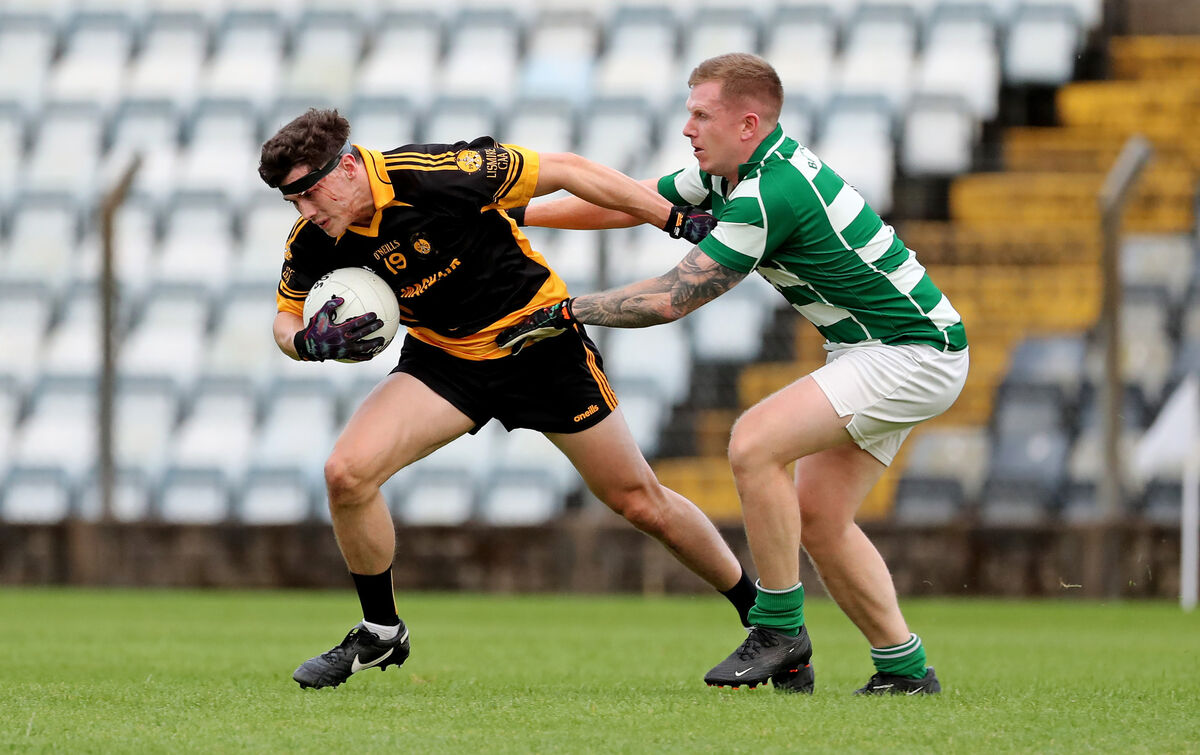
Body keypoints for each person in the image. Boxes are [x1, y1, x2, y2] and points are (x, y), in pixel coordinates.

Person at [497, 53, 968, 695]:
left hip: (911, 351)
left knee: (753, 443)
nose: (687, 127)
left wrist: (567, 310)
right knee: (820, 518)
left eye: (701, 115)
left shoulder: (768, 193)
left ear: (748, 124)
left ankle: (778, 629)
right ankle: (905, 671)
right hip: (883, 349)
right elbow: (628, 204)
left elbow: (671, 299)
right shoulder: (732, 174)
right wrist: (512, 215)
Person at [256, 108, 757, 690]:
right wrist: (307, 344)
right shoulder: (316, 240)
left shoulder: (438, 172)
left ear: (346, 168)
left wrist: (672, 219)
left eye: (309, 193)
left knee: (641, 502)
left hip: (538, 342)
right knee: (346, 474)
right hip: (447, 361)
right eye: (292, 202)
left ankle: (765, 619)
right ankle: (381, 630)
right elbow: (285, 320)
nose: (306, 211)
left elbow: (568, 169)